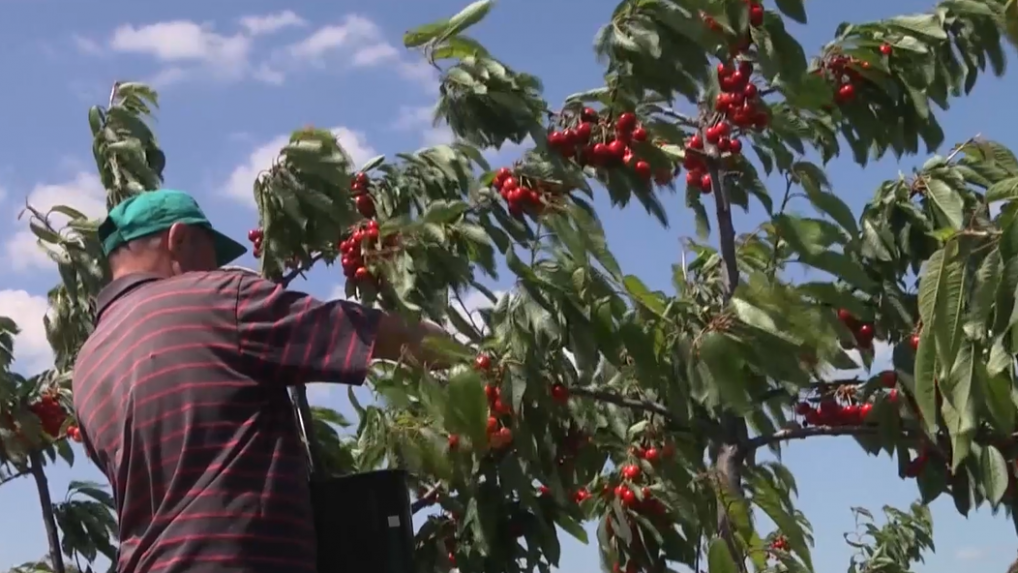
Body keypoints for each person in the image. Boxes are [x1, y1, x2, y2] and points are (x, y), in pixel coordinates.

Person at [72, 189, 447, 573]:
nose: (214, 269)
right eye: (210, 257)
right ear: (178, 240)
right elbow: (374, 335)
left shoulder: (86, 366)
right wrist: (461, 353)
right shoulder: (219, 300)